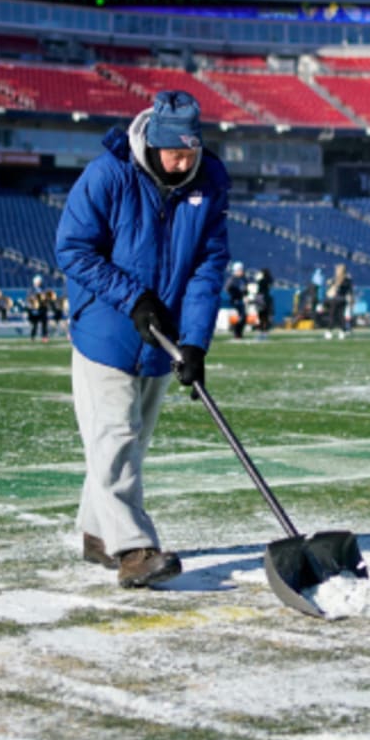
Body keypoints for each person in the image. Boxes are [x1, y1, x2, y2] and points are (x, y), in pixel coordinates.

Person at [55, 89, 230, 590]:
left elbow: (207, 266)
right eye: (176, 151)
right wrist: (132, 297)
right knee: (115, 436)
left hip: (162, 336)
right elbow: (72, 248)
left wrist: (195, 342)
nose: (184, 161)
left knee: (133, 442)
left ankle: (96, 533)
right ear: (152, 144)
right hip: (106, 329)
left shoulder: (210, 181)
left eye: (192, 150)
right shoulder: (108, 174)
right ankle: (134, 549)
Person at [324, 263, 352, 340]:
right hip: (340, 300)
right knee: (338, 316)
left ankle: (333, 331)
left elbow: (334, 289)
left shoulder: (343, 280)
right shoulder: (344, 279)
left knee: (335, 316)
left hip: (338, 300)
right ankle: (339, 331)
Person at [226, 261, 248, 340]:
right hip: (235, 300)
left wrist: (245, 295)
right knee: (237, 317)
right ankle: (236, 333)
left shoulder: (243, 279)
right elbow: (228, 289)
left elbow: (245, 289)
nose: (241, 271)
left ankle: (240, 333)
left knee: (243, 317)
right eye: (239, 270)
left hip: (241, 300)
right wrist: (236, 293)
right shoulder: (232, 279)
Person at [27, 274, 51, 342]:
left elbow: (48, 298)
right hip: (35, 309)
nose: (39, 283)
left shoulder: (44, 289)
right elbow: (29, 299)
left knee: (44, 323)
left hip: (43, 308)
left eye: (40, 281)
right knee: (35, 324)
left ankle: (44, 336)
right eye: (38, 281)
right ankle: (33, 336)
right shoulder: (31, 290)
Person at [253, 267, 274, 338]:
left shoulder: (262, 280)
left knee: (262, 316)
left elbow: (259, 285)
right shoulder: (268, 280)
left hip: (261, 298)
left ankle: (262, 331)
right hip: (265, 298)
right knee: (265, 317)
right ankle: (264, 331)